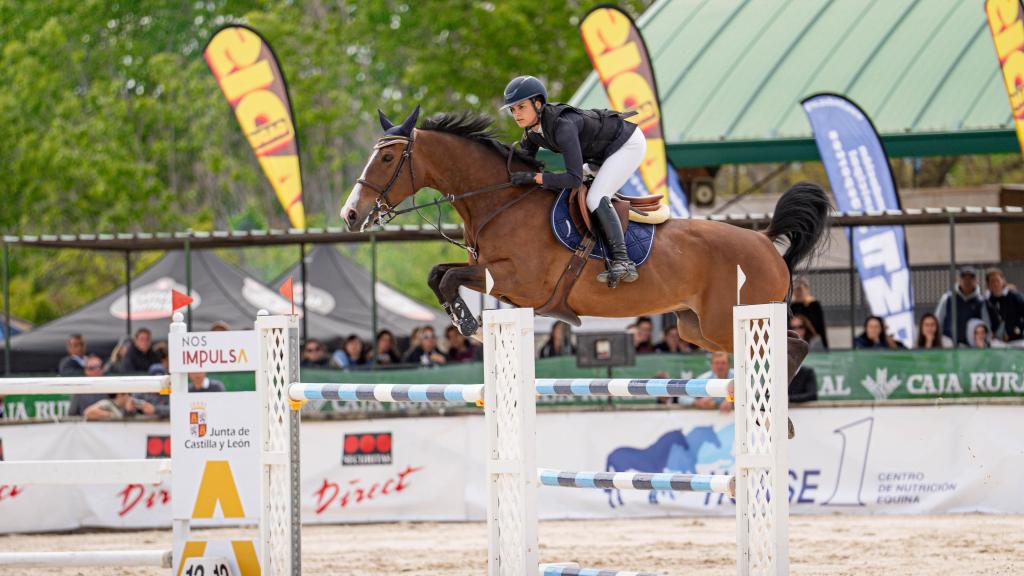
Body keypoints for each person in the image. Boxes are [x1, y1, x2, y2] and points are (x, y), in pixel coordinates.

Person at [501, 75, 646, 286]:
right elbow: (523, 165)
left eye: (521, 107)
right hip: (600, 154)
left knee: (595, 197)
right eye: (512, 110)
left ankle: (623, 260)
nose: (516, 114)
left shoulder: (562, 125)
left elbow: (574, 178)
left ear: (538, 103)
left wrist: (536, 177)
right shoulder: (532, 132)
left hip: (626, 144)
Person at [934, 267, 991, 347]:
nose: (967, 281)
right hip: (949, 345)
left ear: (975, 281)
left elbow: (986, 326)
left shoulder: (980, 302)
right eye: (964, 278)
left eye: (970, 278)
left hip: (971, 348)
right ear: (959, 280)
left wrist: (986, 343)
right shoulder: (947, 298)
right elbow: (937, 321)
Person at [985, 267, 1024, 344]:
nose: (995, 284)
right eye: (992, 281)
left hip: (1017, 340)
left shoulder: (1015, 296)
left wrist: (1015, 330)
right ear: (988, 284)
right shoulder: (988, 301)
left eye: (997, 280)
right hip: (997, 342)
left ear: (1003, 281)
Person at [790, 277, 828, 349]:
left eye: (800, 289)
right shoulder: (792, 306)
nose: (798, 292)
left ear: (807, 290)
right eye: (795, 289)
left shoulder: (814, 304)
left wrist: (825, 346)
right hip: (796, 340)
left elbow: (821, 326)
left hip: (811, 340)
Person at [83, 392, 155, 420]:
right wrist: (110, 414)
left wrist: (130, 410)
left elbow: (151, 409)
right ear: (119, 395)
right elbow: (88, 412)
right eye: (127, 394)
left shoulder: (132, 403)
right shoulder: (108, 403)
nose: (129, 397)